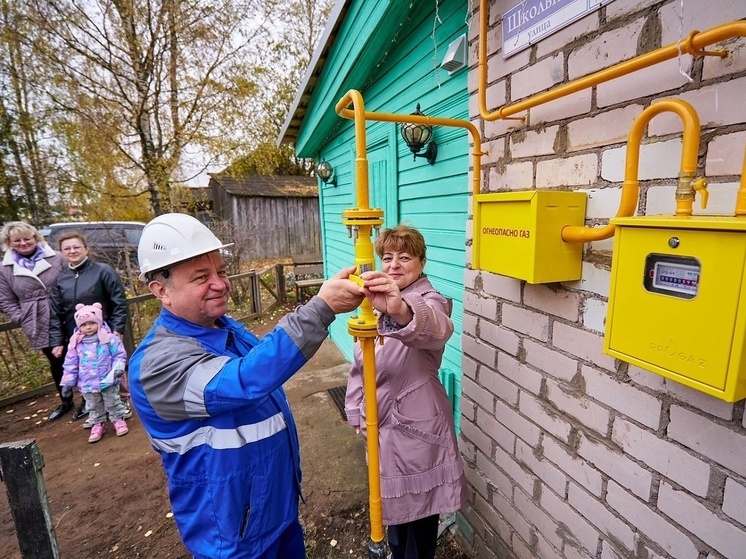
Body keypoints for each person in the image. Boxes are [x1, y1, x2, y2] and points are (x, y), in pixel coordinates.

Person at [128, 213, 365, 559]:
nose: (221, 283)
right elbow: (246, 379)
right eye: (201, 277)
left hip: (274, 511)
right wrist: (321, 308)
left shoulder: (220, 326)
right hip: (232, 536)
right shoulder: (157, 365)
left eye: (221, 271)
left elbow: (270, 353)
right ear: (161, 290)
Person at [344, 224, 467, 559]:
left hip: (417, 430)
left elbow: (437, 328)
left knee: (420, 524)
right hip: (380, 430)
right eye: (387, 257)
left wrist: (399, 309)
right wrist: (357, 409)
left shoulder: (428, 301)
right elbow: (362, 366)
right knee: (393, 523)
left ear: (421, 263)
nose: (394, 264)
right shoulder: (373, 306)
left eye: (405, 257)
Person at [49, 230, 130, 424]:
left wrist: (118, 328)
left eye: (76, 246)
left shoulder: (103, 271)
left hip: (106, 332)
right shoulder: (61, 279)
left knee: (113, 367)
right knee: (87, 371)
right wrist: (57, 341)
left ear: (86, 248)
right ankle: (97, 411)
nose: (72, 251)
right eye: (67, 248)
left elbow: (119, 301)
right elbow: (55, 312)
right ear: (61, 252)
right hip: (79, 336)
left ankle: (122, 403)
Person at [0, 221, 69, 420]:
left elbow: (72, 281)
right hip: (37, 319)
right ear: (9, 243)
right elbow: (6, 299)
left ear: (35, 238)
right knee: (56, 361)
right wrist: (21, 318)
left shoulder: (56, 258)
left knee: (81, 355)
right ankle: (66, 400)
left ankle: (89, 400)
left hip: (64, 313)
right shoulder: (5, 269)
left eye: (27, 238)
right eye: (17, 240)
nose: (23, 243)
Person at [60, 302, 129, 443]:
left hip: (107, 379)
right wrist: (67, 382)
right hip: (87, 382)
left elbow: (119, 355)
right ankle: (98, 424)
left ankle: (118, 419)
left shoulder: (109, 338)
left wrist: (118, 369)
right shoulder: (75, 343)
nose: (88, 327)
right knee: (93, 405)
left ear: (99, 321)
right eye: (84, 325)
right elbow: (70, 363)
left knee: (113, 401)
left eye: (92, 323)